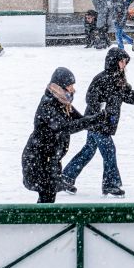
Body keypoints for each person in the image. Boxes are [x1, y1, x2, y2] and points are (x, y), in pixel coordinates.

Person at [60, 48, 134, 197]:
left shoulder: (119, 81)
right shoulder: (102, 78)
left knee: (88, 150)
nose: (124, 65)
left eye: (125, 62)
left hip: (102, 123)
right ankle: (111, 184)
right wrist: (100, 111)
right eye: (122, 61)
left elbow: (133, 97)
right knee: (109, 151)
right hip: (97, 122)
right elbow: (90, 98)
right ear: (114, 61)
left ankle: (66, 178)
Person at [21, 67, 100, 204]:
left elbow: (79, 120)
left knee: (48, 199)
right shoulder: (48, 105)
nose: (73, 89)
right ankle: (41, 224)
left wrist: (98, 119)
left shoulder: (63, 103)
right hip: (38, 160)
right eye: (70, 86)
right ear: (59, 87)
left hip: (50, 159)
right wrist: (92, 120)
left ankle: (43, 223)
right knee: (47, 197)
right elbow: (65, 127)